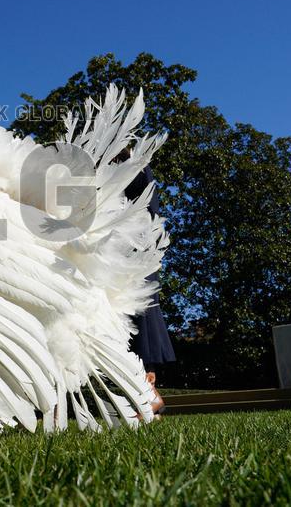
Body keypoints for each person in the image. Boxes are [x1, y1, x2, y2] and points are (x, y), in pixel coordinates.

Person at [122, 154, 176, 415]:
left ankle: (147, 392)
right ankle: (146, 392)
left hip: (135, 248)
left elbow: (148, 209)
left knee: (138, 313)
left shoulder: (134, 166)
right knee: (133, 314)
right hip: (131, 247)